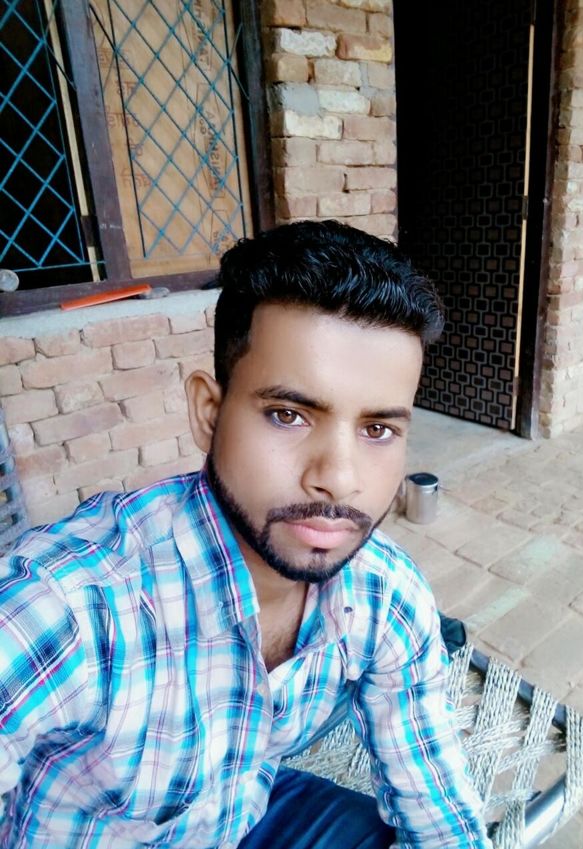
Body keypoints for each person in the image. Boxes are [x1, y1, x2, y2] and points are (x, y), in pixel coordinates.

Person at [0, 221, 491, 849]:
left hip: (244, 814)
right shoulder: (68, 607)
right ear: (209, 413)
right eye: (288, 415)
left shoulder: (383, 593)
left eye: (377, 430)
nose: (338, 479)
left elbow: (437, 802)